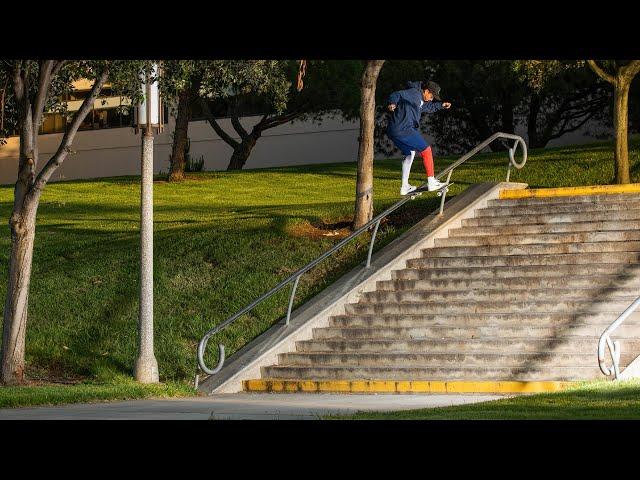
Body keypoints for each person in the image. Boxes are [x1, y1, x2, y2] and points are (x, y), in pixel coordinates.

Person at [386, 80, 452, 195]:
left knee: (410, 153)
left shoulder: (420, 100)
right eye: (431, 96)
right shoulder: (413, 93)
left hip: (394, 131)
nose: (432, 99)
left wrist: (441, 105)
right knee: (426, 150)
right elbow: (396, 94)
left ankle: (404, 187)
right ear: (426, 91)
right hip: (404, 129)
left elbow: (428, 107)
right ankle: (431, 181)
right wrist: (393, 103)